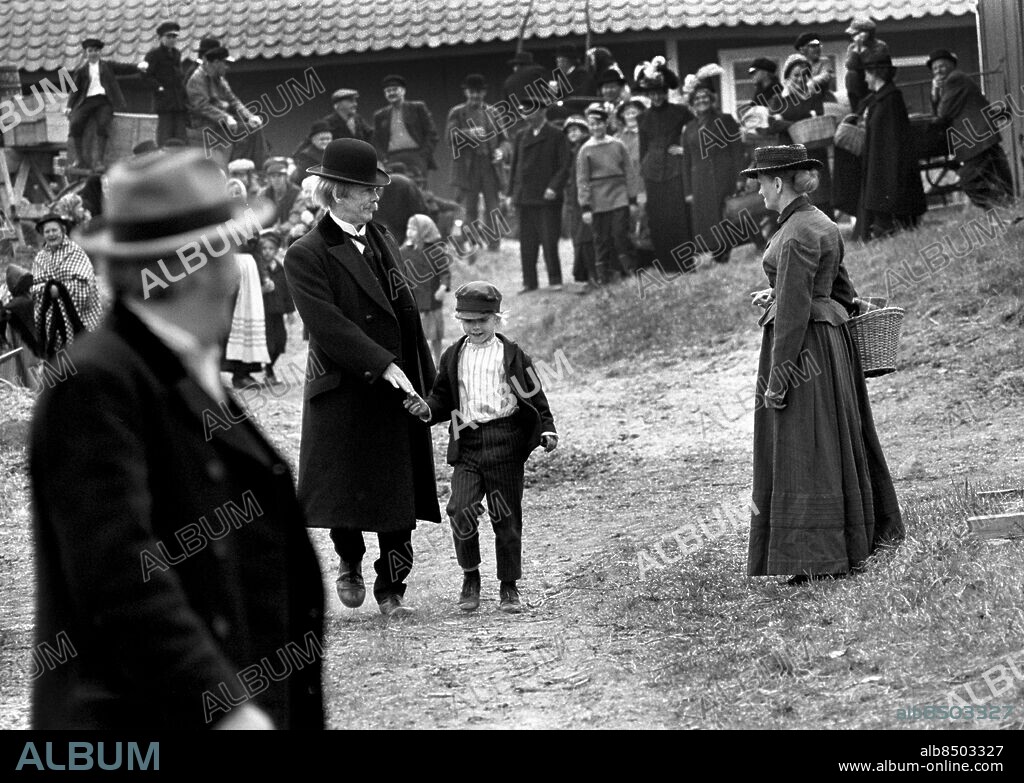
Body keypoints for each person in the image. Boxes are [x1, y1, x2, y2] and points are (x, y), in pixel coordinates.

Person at [29, 149, 324, 729]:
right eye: (228, 253)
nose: (235, 273)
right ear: (196, 268)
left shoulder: (180, 363)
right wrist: (225, 709)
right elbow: (120, 575)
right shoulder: (95, 384)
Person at [283, 138, 441, 617]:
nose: (376, 196)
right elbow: (328, 325)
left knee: (398, 489)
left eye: (376, 188)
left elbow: (407, 314)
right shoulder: (306, 253)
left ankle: (392, 589)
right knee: (345, 488)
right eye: (367, 189)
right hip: (345, 385)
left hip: (397, 386)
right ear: (337, 193)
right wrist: (382, 363)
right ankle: (349, 560)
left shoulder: (384, 237)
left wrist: (429, 381)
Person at [741, 144, 903, 584]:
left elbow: (794, 316)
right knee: (834, 440)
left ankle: (816, 555)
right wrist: (777, 291)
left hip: (805, 347)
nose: (759, 192)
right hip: (831, 347)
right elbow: (840, 291)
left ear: (778, 183)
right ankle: (851, 542)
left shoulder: (794, 233)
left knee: (804, 445)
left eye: (760, 183)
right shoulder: (821, 222)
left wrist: (778, 380)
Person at [404, 282, 557, 614]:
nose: (475, 328)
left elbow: (535, 396)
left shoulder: (513, 355)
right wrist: (426, 409)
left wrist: (547, 428)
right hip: (468, 443)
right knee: (460, 509)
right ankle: (470, 577)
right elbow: (442, 398)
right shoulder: (453, 355)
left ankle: (509, 586)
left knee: (506, 516)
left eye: (482, 321)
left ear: (497, 319)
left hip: (506, 443)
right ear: (459, 320)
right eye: (468, 321)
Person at [928, 49, 1015, 209]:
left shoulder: (953, 80)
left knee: (968, 181)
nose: (938, 71)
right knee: (998, 175)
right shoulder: (957, 79)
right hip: (983, 137)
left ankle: (998, 207)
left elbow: (942, 113)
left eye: (941, 66)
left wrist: (935, 91)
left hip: (976, 138)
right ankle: (1006, 208)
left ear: (951, 65)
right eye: (934, 69)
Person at [859, 52, 926, 240]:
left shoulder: (891, 99)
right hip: (880, 164)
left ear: (876, 74)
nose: (865, 79)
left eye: (867, 74)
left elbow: (895, 139)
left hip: (890, 167)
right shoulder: (878, 99)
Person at [635, 57, 693, 274]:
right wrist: (643, 176)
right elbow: (642, 150)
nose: (657, 97)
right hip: (652, 172)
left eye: (660, 92)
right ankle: (665, 264)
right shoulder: (642, 118)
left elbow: (694, 134)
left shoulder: (681, 112)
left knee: (677, 216)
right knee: (657, 217)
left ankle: (684, 262)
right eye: (652, 93)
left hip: (674, 169)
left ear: (666, 92)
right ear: (648, 94)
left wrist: (683, 149)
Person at [681, 82, 746, 265]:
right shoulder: (689, 128)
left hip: (723, 176)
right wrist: (688, 191)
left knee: (725, 214)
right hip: (699, 180)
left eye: (705, 97)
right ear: (692, 103)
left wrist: (740, 177)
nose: (701, 101)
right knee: (706, 218)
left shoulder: (725, 120)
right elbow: (686, 160)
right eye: (697, 98)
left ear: (711, 99)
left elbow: (737, 149)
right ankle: (713, 253)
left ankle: (728, 252)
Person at [508, 106, 571, 293]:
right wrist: (511, 193)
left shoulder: (557, 135)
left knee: (549, 239)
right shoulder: (521, 135)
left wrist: (554, 187)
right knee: (527, 242)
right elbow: (515, 166)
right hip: (525, 196)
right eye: (524, 111)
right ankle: (529, 282)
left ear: (542, 112)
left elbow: (565, 165)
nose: (526, 115)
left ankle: (555, 279)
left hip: (547, 197)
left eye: (531, 111)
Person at [576, 103, 640, 283]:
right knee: (601, 238)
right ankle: (603, 277)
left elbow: (629, 172)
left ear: (606, 124)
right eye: (592, 124)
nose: (596, 127)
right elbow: (582, 179)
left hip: (619, 196)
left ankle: (629, 271)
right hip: (598, 200)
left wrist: (632, 199)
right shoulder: (585, 150)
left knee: (620, 234)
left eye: (599, 123)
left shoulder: (617, 145)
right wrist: (585, 206)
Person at [31, 214, 103, 359]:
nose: (51, 234)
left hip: (79, 315)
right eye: (47, 231)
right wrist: (48, 290)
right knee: (60, 359)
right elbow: (34, 287)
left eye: (54, 230)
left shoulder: (75, 251)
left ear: (62, 230)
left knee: (83, 355)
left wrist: (60, 290)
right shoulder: (40, 258)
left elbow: (85, 282)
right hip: (53, 319)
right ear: (43, 235)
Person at [446, 74, 505, 253]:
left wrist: (502, 152)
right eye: (472, 92)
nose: (475, 96)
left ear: (484, 93)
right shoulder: (457, 112)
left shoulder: (493, 112)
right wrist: (469, 133)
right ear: (466, 92)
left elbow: (505, 140)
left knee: (492, 206)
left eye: (478, 92)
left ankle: (494, 245)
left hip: (489, 165)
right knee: (470, 207)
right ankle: (472, 242)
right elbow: (450, 137)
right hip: (468, 167)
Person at [66, 38, 141, 173]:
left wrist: (138, 67)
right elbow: (74, 89)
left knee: (103, 124)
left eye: (96, 51)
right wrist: (69, 106)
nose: (93, 53)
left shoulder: (107, 66)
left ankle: (99, 161)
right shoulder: (81, 70)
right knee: (75, 123)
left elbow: (124, 68)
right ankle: (80, 160)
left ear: (100, 52)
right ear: (86, 53)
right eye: (90, 51)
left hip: (103, 101)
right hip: (87, 101)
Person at [775, 54, 834, 219]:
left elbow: (818, 116)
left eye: (804, 75)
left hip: (813, 151)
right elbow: (772, 124)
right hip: (790, 154)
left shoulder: (814, 96)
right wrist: (797, 121)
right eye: (796, 75)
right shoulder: (779, 99)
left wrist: (786, 118)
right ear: (787, 77)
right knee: (793, 197)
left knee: (819, 196)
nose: (800, 79)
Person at [186, 46, 263, 170]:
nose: (227, 67)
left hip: (221, 123)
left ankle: (255, 168)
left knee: (252, 129)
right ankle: (233, 168)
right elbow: (202, 106)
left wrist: (249, 116)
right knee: (235, 136)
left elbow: (233, 100)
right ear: (216, 63)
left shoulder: (219, 79)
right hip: (205, 125)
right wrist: (225, 117)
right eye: (225, 63)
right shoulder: (197, 79)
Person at [400, 214, 451, 366]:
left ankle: (438, 361)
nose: (409, 232)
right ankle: (418, 364)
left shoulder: (436, 251)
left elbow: (445, 273)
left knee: (435, 335)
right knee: (416, 334)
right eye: (408, 228)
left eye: (414, 229)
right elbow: (400, 272)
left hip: (432, 300)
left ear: (425, 231)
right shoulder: (403, 251)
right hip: (414, 298)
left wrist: (443, 287)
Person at [372, 74, 439, 187]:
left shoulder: (417, 108)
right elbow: (376, 141)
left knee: (418, 190)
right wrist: (384, 158)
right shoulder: (380, 115)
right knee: (396, 189)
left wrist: (423, 155)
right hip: (392, 158)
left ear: (403, 91)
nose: (391, 93)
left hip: (416, 156)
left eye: (394, 89)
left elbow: (432, 133)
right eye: (388, 91)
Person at [257, 228, 296, 387]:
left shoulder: (280, 268)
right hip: (263, 312)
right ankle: (268, 372)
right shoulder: (258, 269)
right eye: (264, 249)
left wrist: (290, 311)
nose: (267, 252)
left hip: (278, 311)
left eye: (271, 249)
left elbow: (287, 290)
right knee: (269, 343)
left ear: (276, 250)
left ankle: (269, 368)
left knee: (280, 342)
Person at [562, 116, 597, 287]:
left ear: (584, 131)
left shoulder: (586, 148)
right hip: (575, 200)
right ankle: (587, 276)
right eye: (569, 131)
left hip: (586, 200)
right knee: (580, 238)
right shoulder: (574, 150)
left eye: (575, 130)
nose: (572, 134)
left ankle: (593, 276)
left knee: (587, 238)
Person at [141, 22, 189, 145]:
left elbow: (179, 76)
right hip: (164, 102)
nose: (172, 39)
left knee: (180, 135)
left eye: (174, 37)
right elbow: (145, 76)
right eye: (169, 36)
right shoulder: (153, 55)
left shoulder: (177, 54)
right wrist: (159, 87)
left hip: (178, 101)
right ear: (160, 38)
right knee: (165, 134)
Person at [844, 18, 889, 113]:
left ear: (866, 34)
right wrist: (857, 48)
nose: (852, 37)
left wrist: (863, 50)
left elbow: (871, 64)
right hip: (861, 84)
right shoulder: (853, 46)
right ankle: (856, 111)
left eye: (855, 34)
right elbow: (850, 65)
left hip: (876, 81)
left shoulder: (880, 46)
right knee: (851, 75)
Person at [259, 158, 301, 234]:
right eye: (273, 176)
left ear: (286, 177)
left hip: (290, 233)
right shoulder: (264, 194)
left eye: (279, 176)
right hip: (268, 234)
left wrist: (281, 228)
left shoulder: (297, 192)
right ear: (269, 179)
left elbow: (296, 216)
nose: (276, 179)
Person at [291, 120, 334, 187]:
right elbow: (306, 178)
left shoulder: (335, 152)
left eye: (328, 139)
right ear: (313, 140)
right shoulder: (305, 156)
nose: (325, 142)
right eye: (322, 139)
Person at [794, 32, 836, 101]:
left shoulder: (824, 61)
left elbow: (826, 75)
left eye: (818, 46)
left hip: (824, 99)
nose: (817, 49)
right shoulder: (796, 65)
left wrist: (812, 82)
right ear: (802, 50)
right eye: (813, 46)